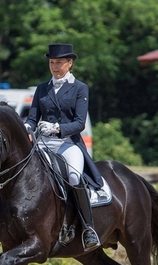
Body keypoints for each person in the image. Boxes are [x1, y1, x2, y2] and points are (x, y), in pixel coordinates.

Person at [24, 43, 103, 251]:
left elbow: (79, 123)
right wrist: (25, 127)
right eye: (52, 62)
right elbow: (33, 118)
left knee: (75, 177)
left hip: (67, 144)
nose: (55, 66)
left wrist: (57, 128)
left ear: (70, 63)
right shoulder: (42, 88)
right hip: (43, 144)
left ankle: (88, 228)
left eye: (59, 62)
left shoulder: (79, 88)